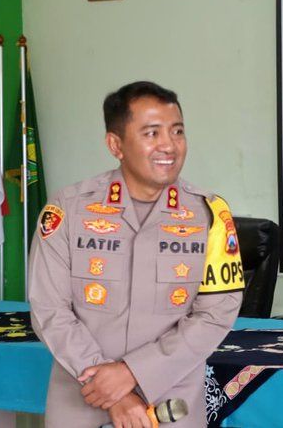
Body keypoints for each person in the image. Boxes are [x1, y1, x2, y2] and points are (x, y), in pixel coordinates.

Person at [29, 81, 244, 427]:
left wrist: (132, 373)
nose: (169, 145)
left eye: (177, 131)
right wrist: (112, 390)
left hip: (170, 405)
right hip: (83, 400)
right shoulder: (68, 208)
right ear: (115, 144)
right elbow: (49, 308)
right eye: (151, 133)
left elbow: (216, 313)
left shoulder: (209, 215)